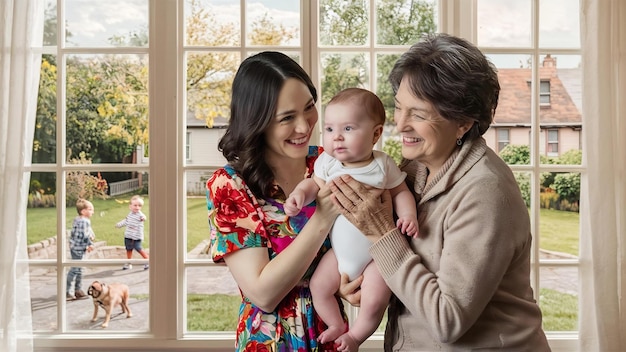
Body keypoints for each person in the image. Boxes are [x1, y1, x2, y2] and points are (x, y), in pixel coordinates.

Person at [329, 33, 551, 351]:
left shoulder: (485, 192)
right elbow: (405, 272)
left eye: (418, 114)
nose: (400, 124)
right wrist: (362, 282)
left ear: (462, 123)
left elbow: (447, 320)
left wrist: (381, 235)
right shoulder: (413, 169)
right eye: (399, 107)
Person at [206, 51, 346, 351]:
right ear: (258, 122)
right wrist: (322, 218)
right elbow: (262, 293)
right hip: (269, 341)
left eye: (309, 107)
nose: (304, 126)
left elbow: (355, 244)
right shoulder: (230, 184)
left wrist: (351, 285)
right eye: (286, 118)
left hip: (330, 336)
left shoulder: (326, 162)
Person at [284, 87, 418, 351]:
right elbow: (314, 184)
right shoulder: (327, 162)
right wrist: (299, 195)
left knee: (374, 300)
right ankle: (335, 323)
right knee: (319, 285)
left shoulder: (382, 164)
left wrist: (408, 214)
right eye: (331, 129)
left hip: (377, 256)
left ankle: (356, 336)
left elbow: (400, 191)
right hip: (339, 254)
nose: (337, 139)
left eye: (348, 129)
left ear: (376, 134)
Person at [67, 198, 95, 301]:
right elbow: (84, 235)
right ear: (83, 211)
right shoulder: (84, 221)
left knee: (79, 269)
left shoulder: (81, 219)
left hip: (78, 247)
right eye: (90, 209)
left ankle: (78, 290)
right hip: (78, 249)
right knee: (75, 270)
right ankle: (67, 292)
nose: (93, 211)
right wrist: (90, 244)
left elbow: (88, 232)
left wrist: (92, 235)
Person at [115, 195, 149, 270]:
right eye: (135, 205)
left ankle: (147, 260)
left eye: (139, 206)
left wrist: (143, 218)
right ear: (130, 206)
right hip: (128, 236)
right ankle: (128, 262)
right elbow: (126, 221)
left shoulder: (140, 214)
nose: (137, 207)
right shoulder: (130, 215)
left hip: (137, 236)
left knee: (138, 248)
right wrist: (119, 225)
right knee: (129, 249)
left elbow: (144, 217)